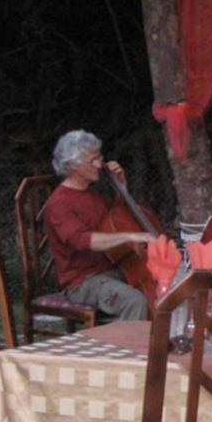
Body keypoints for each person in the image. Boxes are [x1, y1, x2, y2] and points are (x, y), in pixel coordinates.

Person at [44, 130, 157, 322]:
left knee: (164, 287)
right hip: (83, 282)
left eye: (100, 157)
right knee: (134, 301)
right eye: (93, 160)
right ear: (73, 165)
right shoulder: (58, 203)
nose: (100, 164)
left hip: (112, 271)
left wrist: (122, 187)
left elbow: (118, 218)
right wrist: (130, 236)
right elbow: (81, 240)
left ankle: (154, 345)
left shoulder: (93, 196)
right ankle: (126, 350)